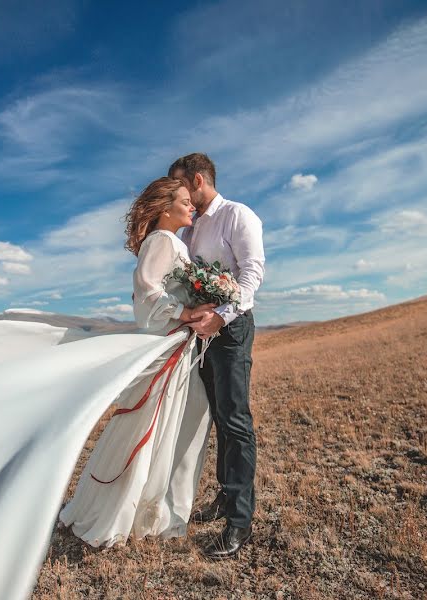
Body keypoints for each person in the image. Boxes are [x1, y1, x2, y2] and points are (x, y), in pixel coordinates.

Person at [57, 176, 216, 547]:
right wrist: (187, 312)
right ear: (165, 208)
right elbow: (147, 296)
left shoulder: (169, 242)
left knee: (167, 426)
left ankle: (149, 509)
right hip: (167, 345)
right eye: (184, 201)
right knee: (153, 426)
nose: (192, 205)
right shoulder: (161, 241)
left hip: (177, 346)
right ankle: (128, 513)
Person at [168, 153, 265, 559]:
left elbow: (251, 274)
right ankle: (225, 497)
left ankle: (240, 520)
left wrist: (221, 317)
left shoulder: (238, 215)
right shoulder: (191, 227)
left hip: (231, 329)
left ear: (198, 179)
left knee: (236, 419)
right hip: (199, 333)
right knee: (219, 418)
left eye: (179, 185)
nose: (177, 193)